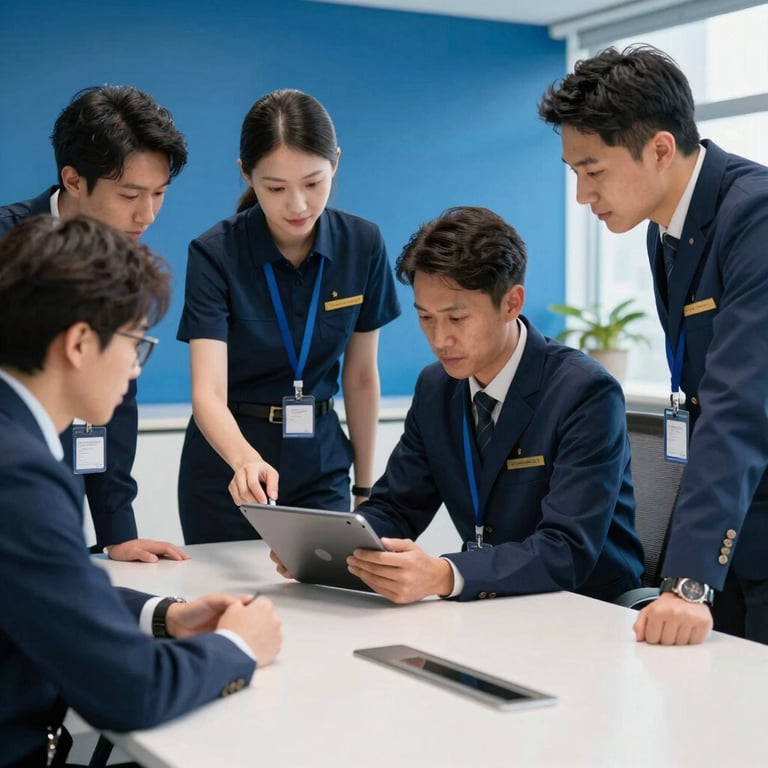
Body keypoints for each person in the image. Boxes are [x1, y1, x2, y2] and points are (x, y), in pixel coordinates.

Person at [0, 215, 282, 767]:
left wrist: (164, 615)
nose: (134, 370)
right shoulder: (20, 473)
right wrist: (238, 647)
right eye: (134, 344)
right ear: (80, 342)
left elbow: (51, 585)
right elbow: (132, 691)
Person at [275, 206, 644, 604]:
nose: (439, 340)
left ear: (511, 303)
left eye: (456, 318)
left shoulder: (584, 392)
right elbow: (398, 505)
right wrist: (330, 546)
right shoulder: (436, 387)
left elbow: (566, 549)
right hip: (490, 609)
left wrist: (445, 574)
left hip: (584, 611)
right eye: (426, 318)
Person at [538, 45, 768, 646]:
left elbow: (738, 407)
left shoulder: (756, 217)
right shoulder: (666, 230)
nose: (584, 196)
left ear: (660, 149)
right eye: (575, 175)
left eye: (594, 171)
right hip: (735, 532)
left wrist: (688, 579)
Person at [177, 89, 401, 544]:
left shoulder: (363, 244)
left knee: (328, 600)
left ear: (335, 162)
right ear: (246, 174)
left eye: (314, 183)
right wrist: (244, 461)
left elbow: (360, 377)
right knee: (231, 605)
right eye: (275, 188)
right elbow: (208, 392)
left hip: (321, 461)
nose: (297, 205)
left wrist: (365, 486)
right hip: (229, 464)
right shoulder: (214, 253)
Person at [0, 84, 189, 563]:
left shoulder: (126, 257)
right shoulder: (9, 249)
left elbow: (117, 401)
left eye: (159, 194)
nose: (146, 214)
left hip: (59, 502)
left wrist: (117, 530)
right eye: (130, 194)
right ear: (74, 179)